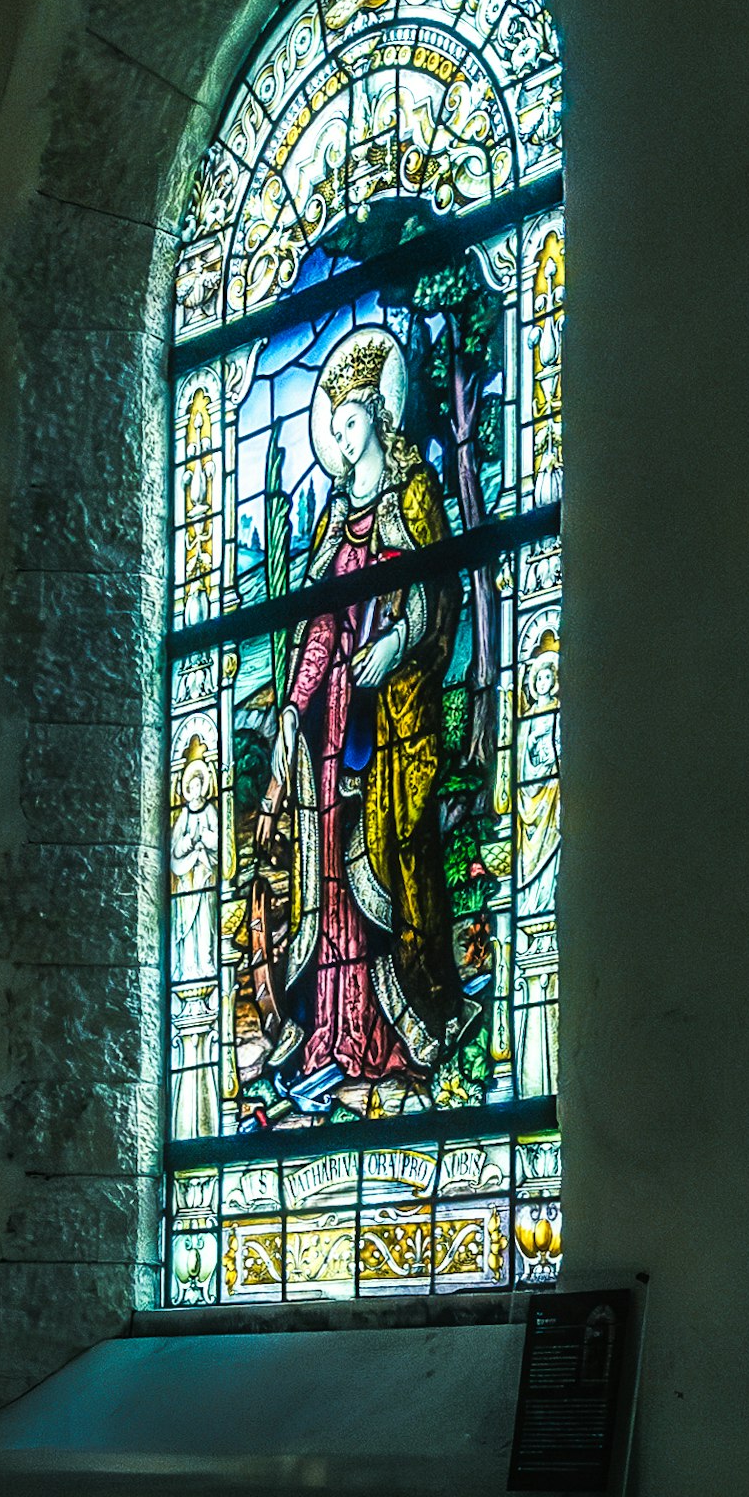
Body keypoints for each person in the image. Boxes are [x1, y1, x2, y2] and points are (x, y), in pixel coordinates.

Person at [237, 336, 469, 1099]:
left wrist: (398, 641)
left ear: (376, 412)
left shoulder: (415, 497)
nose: (335, 437)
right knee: (331, 870)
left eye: (345, 421)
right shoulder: (338, 528)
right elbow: (320, 629)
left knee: (393, 857)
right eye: (330, 426)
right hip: (337, 727)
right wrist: (291, 713)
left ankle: (403, 1035)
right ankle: (333, 1038)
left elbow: (437, 597)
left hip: (396, 718)